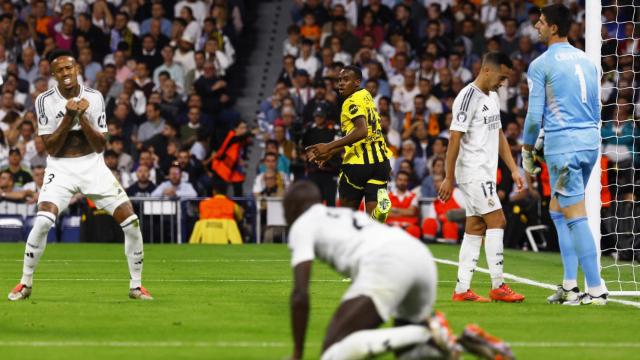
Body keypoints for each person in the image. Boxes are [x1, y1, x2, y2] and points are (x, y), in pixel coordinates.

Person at [284, 181, 514, 360]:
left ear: (293, 208)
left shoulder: (302, 223)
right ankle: (455, 339)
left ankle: (428, 331)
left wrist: (297, 352)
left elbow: (300, 295)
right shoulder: (342, 213)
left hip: (387, 263)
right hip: (419, 256)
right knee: (411, 354)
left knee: (333, 350)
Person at [8, 49, 152, 301]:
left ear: (77, 69)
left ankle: (136, 286)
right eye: (60, 70)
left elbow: (100, 145)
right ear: (53, 74)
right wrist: (69, 115)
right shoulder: (44, 100)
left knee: (131, 222)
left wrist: (82, 116)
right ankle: (25, 282)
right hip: (60, 167)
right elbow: (50, 147)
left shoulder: (94, 97)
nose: (66, 73)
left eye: (69, 68)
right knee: (42, 222)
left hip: (93, 166)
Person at [521, 4, 607, 306]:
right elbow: (597, 109)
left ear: (554, 28)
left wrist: (527, 149)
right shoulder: (588, 61)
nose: (537, 27)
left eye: (541, 22)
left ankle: (596, 289)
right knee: (558, 208)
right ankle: (570, 285)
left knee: (575, 214)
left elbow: (533, 118)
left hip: (564, 146)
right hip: (589, 141)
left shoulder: (541, 64)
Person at [439, 51, 525, 303]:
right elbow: (455, 137)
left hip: (485, 172)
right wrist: (448, 176)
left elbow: (498, 135)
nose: (503, 82)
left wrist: (512, 169)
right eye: (502, 76)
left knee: (476, 227)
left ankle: (462, 289)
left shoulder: (493, 97)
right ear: (487, 70)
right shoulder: (467, 97)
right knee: (498, 221)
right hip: (473, 171)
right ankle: (498, 284)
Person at [306, 65, 393, 223]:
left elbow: (361, 131)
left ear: (357, 82)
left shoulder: (350, 102)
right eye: (339, 80)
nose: (341, 83)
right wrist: (333, 151)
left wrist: (328, 146)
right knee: (373, 224)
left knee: (346, 220)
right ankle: (378, 214)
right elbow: (361, 135)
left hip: (357, 166)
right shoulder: (366, 95)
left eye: (346, 80)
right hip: (380, 163)